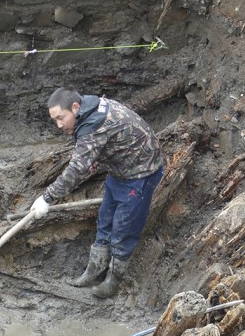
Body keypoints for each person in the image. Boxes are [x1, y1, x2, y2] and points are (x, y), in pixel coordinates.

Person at [28, 87, 165, 298]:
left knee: (124, 227)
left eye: (61, 118)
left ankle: (113, 280)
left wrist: (47, 198)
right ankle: (94, 269)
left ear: (75, 107)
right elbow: (93, 155)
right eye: (54, 119)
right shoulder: (90, 107)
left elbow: (77, 169)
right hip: (119, 169)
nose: (59, 125)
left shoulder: (95, 124)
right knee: (105, 219)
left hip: (141, 173)